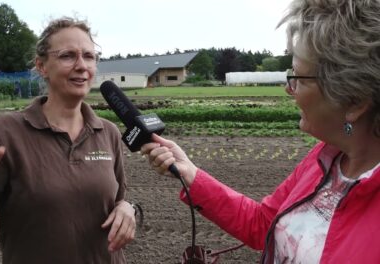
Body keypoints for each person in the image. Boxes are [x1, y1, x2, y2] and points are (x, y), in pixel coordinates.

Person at [141, 0, 380, 263]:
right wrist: (191, 174)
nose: (289, 89)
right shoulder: (324, 159)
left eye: (299, 78)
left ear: (355, 101)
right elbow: (263, 223)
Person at [0, 17, 135, 263]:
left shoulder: (107, 132)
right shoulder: (4, 133)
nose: (81, 65)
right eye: (67, 56)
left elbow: (118, 201)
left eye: (88, 56)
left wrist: (129, 209)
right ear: (42, 66)